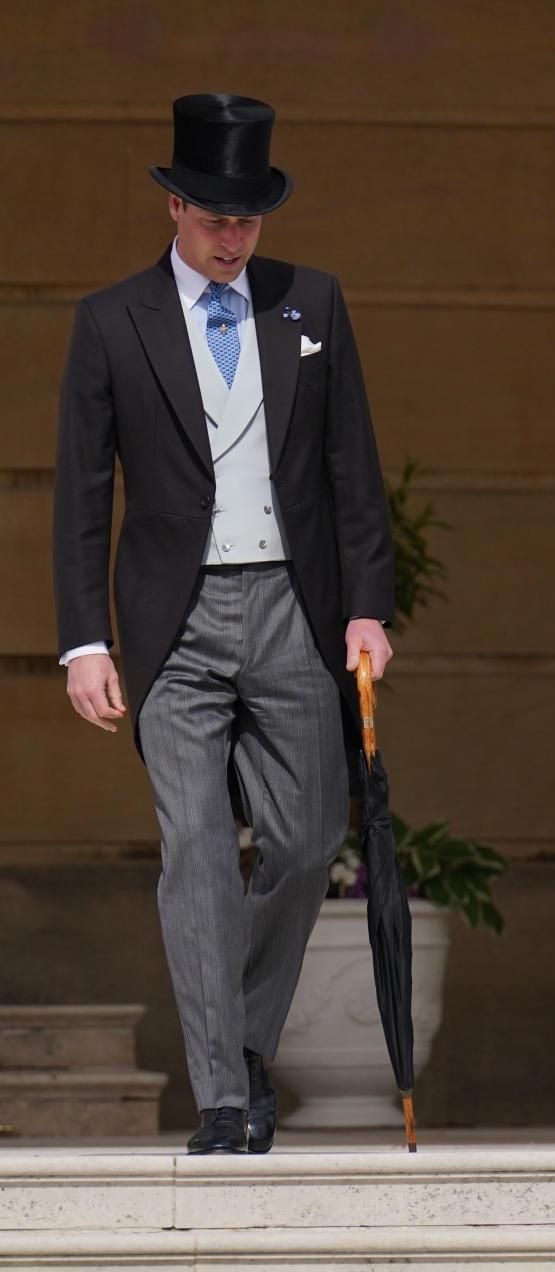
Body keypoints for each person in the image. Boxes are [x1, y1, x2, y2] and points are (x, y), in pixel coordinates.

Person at [53, 94, 394, 1154]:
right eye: (212, 212)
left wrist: (371, 609)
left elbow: (353, 472)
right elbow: (79, 494)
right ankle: (221, 1095)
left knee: (302, 843)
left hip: (296, 607)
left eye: (248, 214)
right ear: (173, 204)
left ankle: (241, 1037)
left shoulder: (313, 304)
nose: (232, 231)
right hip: (173, 622)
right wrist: (83, 639)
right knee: (195, 849)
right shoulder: (112, 319)